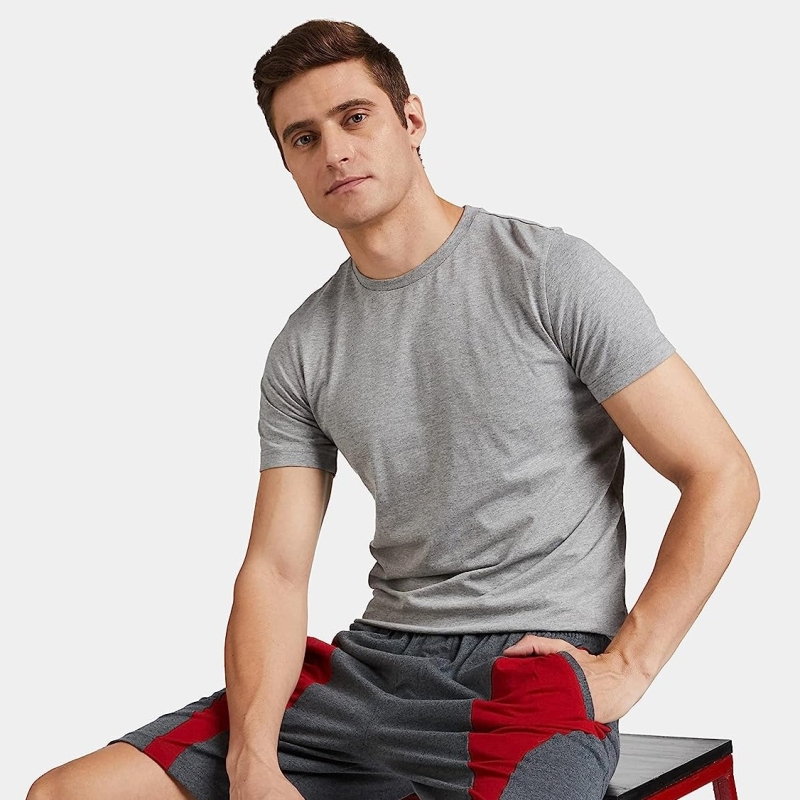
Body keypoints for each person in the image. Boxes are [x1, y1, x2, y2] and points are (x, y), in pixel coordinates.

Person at [27, 18, 759, 800]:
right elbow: (276, 569)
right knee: (68, 794)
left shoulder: (548, 273)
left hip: (524, 672)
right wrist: (253, 761)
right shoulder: (305, 347)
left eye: (355, 117)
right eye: (304, 138)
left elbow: (721, 473)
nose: (335, 151)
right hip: (370, 669)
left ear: (411, 120)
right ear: (287, 164)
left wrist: (630, 665)